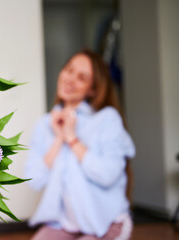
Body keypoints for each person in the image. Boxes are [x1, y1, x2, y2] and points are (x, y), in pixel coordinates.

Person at [25, 49, 135, 240]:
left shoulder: (107, 119)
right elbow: (34, 180)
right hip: (65, 225)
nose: (70, 79)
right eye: (69, 70)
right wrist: (59, 138)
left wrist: (72, 138)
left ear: (92, 89)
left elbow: (107, 175)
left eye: (82, 77)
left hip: (106, 223)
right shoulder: (44, 125)